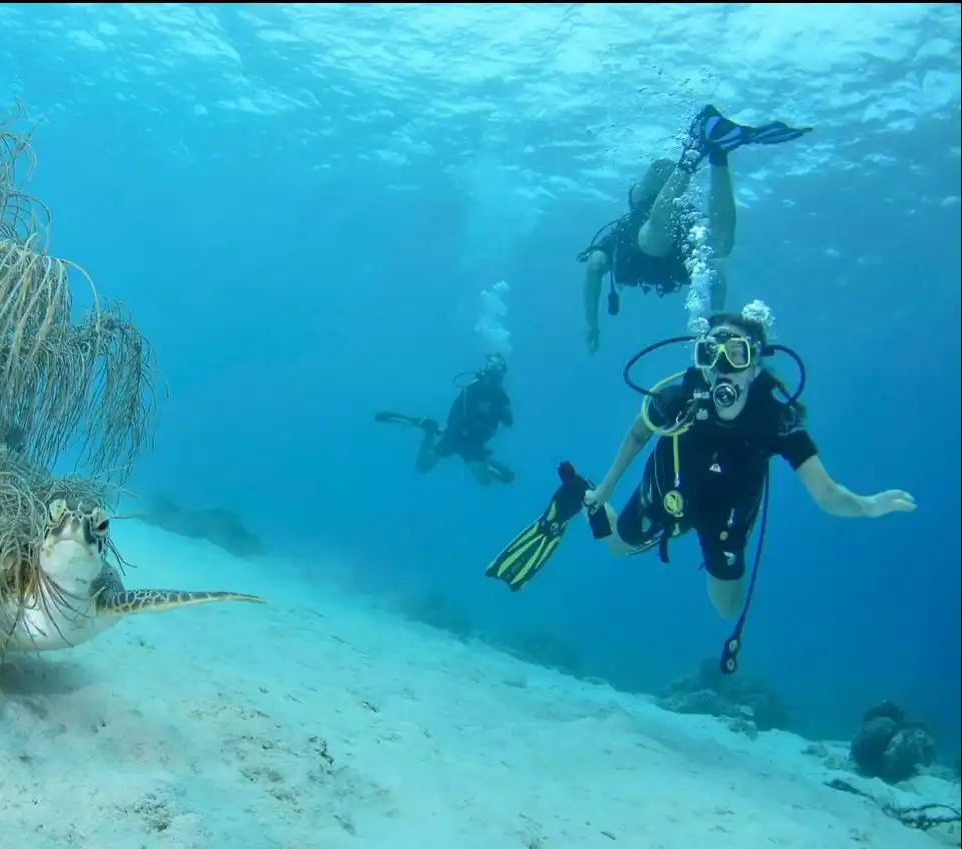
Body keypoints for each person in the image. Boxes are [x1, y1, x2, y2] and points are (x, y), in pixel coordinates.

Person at [485, 310, 915, 669]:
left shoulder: (776, 418)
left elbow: (826, 493)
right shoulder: (679, 397)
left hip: (727, 513)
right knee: (617, 546)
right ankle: (585, 494)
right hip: (669, 491)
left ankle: (609, 502)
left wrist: (866, 506)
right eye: (711, 353)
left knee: (726, 607)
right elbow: (637, 435)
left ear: (757, 363)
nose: (723, 366)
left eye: (736, 353)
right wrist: (609, 485)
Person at [577, 105, 812, 354]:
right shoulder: (653, 222)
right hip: (672, 239)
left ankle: (693, 151)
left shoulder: (625, 228)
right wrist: (718, 319)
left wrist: (591, 325)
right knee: (720, 247)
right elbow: (718, 272)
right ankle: (718, 154)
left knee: (656, 242)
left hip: (658, 236)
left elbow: (594, 265)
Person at [375, 353, 515, 486]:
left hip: (466, 440)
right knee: (423, 466)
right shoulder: (485, 391)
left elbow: (508, 421)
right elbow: (503, 420)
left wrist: (495, 410)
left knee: (484, 481)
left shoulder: (491, 393)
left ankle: (430, 431)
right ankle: (430, 431)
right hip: (463, 439)